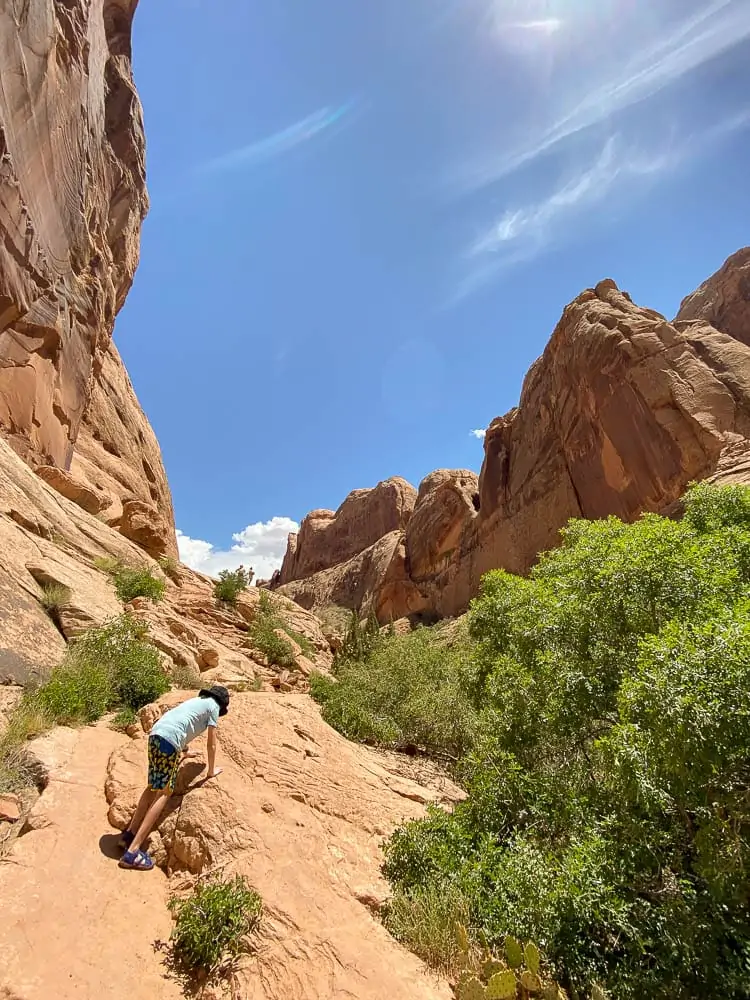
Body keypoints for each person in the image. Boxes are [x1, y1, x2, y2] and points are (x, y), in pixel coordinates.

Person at [118, 685, 230, 871]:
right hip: (169, 741)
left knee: (152, 786)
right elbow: (211, 743)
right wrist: (210, 772)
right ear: (222, 704)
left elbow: (181, 724)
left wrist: (184, 751)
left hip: (156, 735)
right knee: (164, 792)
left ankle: (129, 834)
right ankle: (132, 853)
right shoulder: (214, 707)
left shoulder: (196, 702)